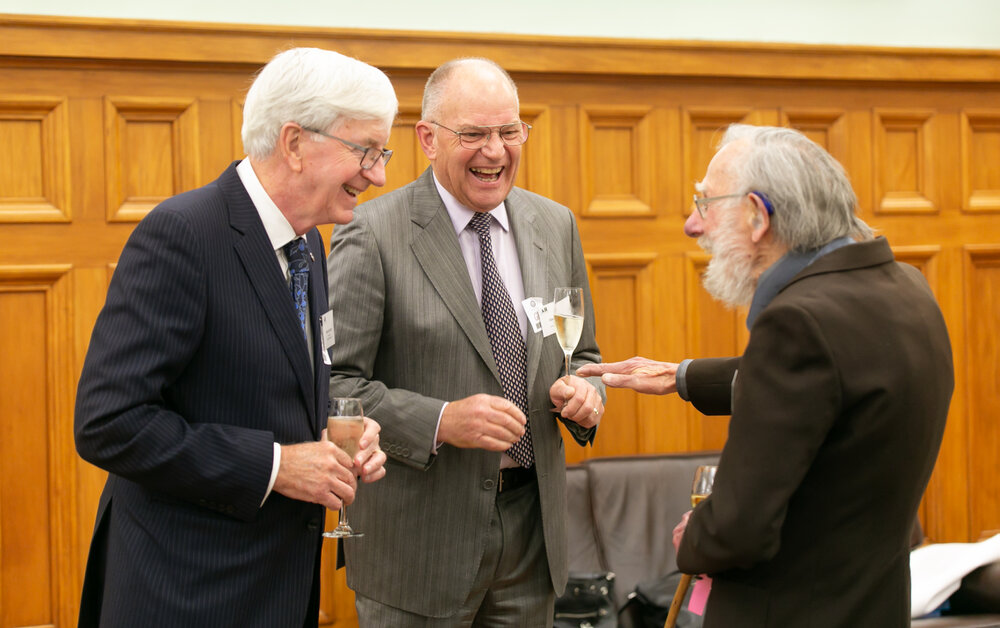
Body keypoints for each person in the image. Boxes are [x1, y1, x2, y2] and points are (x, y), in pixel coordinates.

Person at [578, 124, 953, 628]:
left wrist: (694, 537)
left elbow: (738, 530)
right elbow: (831, 382)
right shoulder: (906, 289)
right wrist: (682, 377)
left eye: (706, 203)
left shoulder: (797, 324)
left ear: (757, 215)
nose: (693, 225)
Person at [74, 47, 396, 628]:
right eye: (364, 150)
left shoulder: (310, 248)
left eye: (382, 152)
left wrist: (335, 437)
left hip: (276, 589)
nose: (378, 173)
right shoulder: (183, 235)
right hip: (184, 593)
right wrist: (275, 466)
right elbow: (108, 423)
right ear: (294, 143)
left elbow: (270, 389)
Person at [326, 57, 605, 626]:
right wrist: (440, 421)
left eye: (509, 132)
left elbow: (584, 356)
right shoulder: (370, 232)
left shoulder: (558, 225)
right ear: (427, 138)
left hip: (532, 535)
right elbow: (334, 387)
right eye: (473, 134)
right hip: (418, 548)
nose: (495, 151)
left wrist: (586, 397)